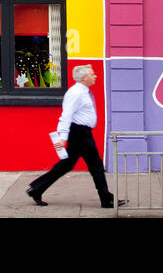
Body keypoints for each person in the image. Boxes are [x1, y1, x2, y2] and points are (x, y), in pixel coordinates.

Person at [26, 64, 125, 208]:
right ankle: (106, 199)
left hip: (81, 133)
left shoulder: (82, 92)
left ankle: (37, 188)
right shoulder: (76, 93)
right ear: (84, 78)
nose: (95, 76)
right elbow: (66, 115)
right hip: (80, 133)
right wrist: (63, 137)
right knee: (96, 166)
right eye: (92, 74)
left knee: (67, 164)